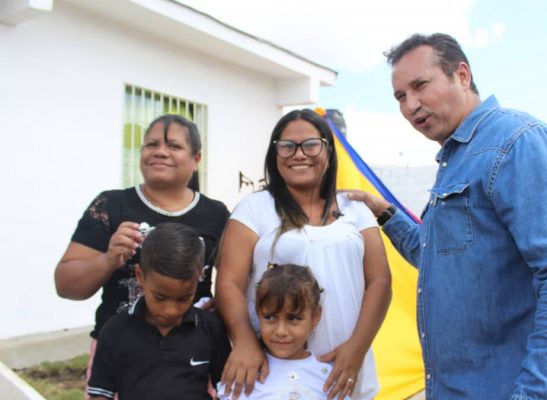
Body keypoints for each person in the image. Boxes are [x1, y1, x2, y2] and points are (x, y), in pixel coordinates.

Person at [346, 33, 547, 399]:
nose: (411, 105)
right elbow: (440, 258)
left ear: (462, 75)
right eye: (400, 96)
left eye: (420, 86)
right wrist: (386, 214)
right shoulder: (456, 160)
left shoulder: (518, 142)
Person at [215, 109, 391, 400]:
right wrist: (244, 342)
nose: (298, 154)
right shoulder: (254, 208)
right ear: (275, 154)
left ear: (328, 151)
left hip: (344, 370)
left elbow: (380, 282)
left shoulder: (355, 209)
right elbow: (228, 282)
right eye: (287, 146)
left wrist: (356, 348)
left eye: (310, 145)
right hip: (272, 378)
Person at [54, 114, 229, 396]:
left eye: (174, 146)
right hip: (120, 354)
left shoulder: (216, 214)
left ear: (196, 158)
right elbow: (66, 285)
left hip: (194, 355)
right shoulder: (111, 205)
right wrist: (108, 259)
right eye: (152, 144)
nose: (160, 151)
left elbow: (235, 281)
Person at [87, 222, 231, 400]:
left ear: (199, 277)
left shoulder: (210, 328)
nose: (171, 311)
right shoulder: (114, 330)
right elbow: (100, 394)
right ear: (140, 276)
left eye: (184, 298)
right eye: (160, 298)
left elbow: (227, 390)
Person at [217, 263, 349, 399]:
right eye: (270, 317)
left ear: (315, 317)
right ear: (258, 312)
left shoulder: (328, 379)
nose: (281, 331)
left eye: (294, 319)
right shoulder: (245, 372)